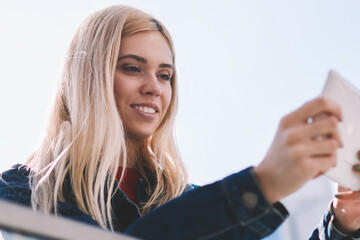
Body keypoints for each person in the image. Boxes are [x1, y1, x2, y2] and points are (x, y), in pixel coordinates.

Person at [0, 5, 358, 239]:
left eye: (165, 75)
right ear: (88, 78)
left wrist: (342, 222)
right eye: (132, 68)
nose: (154, 87)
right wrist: (261, 185)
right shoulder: (22, 192)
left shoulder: (183, 198)